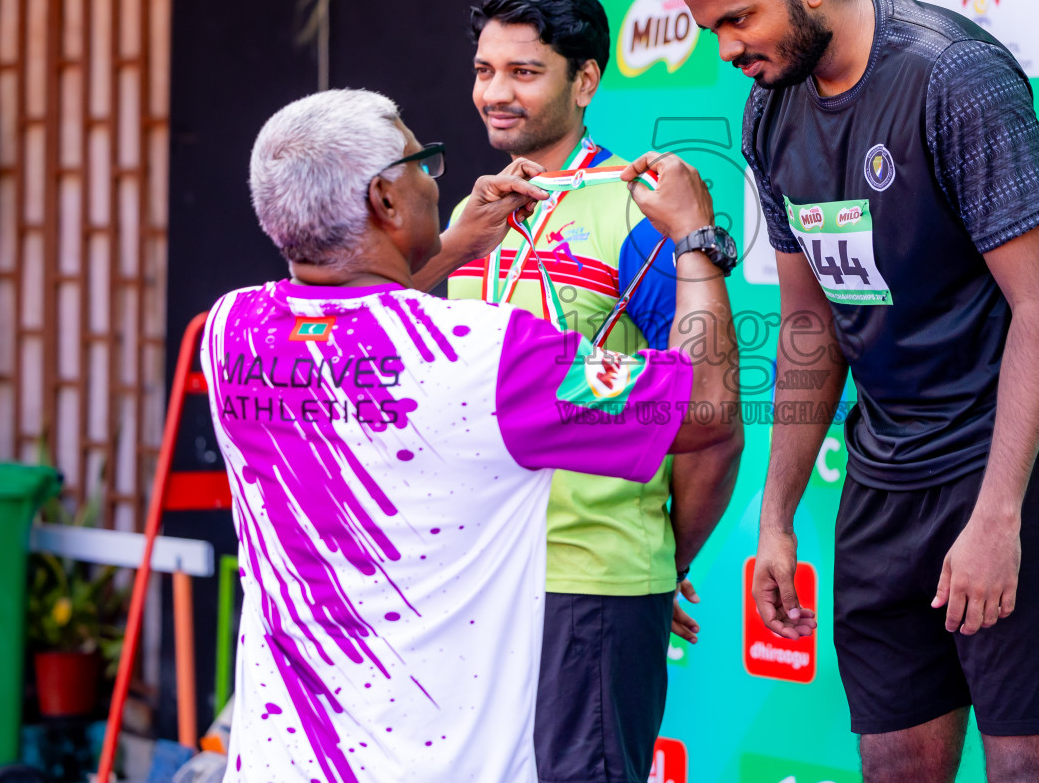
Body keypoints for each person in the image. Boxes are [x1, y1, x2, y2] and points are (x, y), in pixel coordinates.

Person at [671, 0, 1039, 783]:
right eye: (712, 32)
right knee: (893, 765)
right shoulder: (770, 112)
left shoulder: (952, 75)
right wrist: (774, 519)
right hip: (891, 471)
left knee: (1031, 770)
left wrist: (998, 516)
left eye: (739, 20)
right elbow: (811, 322)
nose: (729, 51)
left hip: (1024, 460)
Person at [202, 89, 740, 783]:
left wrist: (452, 245)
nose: (438, 178)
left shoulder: (232, 331)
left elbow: (355, 305)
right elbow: (706, 408)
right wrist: (695, 242)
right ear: (386, 203)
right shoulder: (485, 356)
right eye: (420, 162)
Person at [411, 0, 744, 783]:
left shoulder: (636, 210)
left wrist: (668, 559)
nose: (496, 93)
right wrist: (453, 248)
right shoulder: (469, 214)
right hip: (473, 579)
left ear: (586, 81)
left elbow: (712, 420)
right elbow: (395, 350)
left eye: (524, 72)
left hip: (590, 578)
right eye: (485, 70)